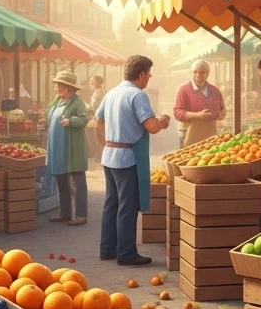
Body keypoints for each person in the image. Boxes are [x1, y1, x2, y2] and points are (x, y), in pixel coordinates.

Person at [96, 55, 171, 266]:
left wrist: (105, 141)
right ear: (141, 74)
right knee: (127, 207)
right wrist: (163, 121)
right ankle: (126, 253)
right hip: (127, 158)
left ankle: (107, 249)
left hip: (109, 155)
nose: (150, 77)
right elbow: (152, 127)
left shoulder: (111, 93)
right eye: (149, 74)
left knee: (111, 203)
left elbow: (98, 120)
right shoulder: (138, 95)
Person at [46, 70, 89, 226]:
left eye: (58, 85)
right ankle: (65, 213)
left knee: (78, 182)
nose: (55, 88)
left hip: (72, 148)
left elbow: (83, 120)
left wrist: (70, 121)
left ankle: (81, 215)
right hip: (58, 147)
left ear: (68, 87)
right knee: (61, 180)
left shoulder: (77, 102)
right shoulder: (58, 101)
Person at [173, 59, 227, 148]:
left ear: (207, 74)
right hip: (189, 133)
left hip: (210, 133)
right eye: (195, 72)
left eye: (202, 72)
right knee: (190, 156)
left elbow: (222, 107)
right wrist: (197, 115)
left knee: (208, 155)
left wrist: (223, 112)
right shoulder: (183, 90)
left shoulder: (215, 90)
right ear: (191, 73)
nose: (198, 75)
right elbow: (177, 112)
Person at [86, 74, 105, 161]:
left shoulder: (100, 91)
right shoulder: (97, 91)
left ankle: (99, 156)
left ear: (97, 83)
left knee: (98, 136)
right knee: (95, 136)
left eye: (93, 82)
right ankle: (97, 156)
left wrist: (89, 108)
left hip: (99, 117)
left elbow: (95, 105)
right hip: (96, 115)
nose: (91, 83)